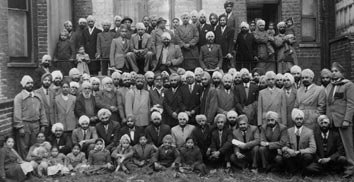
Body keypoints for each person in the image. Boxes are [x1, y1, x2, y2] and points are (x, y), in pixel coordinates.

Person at [326, 62, 354, 178]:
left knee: (347, 145)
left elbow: (351, 104)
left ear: (342, 73)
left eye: (336, 71)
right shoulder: (330, 86)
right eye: (332, 71)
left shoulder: (348, 85)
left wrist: (347, 119)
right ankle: (337, 168)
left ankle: (351, 168)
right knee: (335, 146)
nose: (333, 73)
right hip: (332, 121)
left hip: (343, 121)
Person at [14, 75, 48, 158]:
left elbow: (42, 111)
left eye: (31, 83)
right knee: (24, 146)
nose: (30, 85)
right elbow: (17, 113)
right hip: (25, 124)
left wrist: (43, 124)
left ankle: (34, 163)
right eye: (28, 83)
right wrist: (20, 127)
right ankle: (26, 165)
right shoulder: (19, 97)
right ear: (23, 85)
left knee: (34, 145)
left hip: (36, 124)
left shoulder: (37, 96)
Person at [282, 109, 316, 175]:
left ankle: (303, 171)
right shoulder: (289, 131)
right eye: (297, 119)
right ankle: (293, 171)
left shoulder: (309, 131)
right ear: (294, 120)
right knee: (285, 155)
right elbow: (284, 145)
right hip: (292, 155)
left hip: (302, 155)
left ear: (303, 120)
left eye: (301, 119)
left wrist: (300, 151)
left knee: (308, 156)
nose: (299, 121)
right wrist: (289, 150)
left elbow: (313, 149)